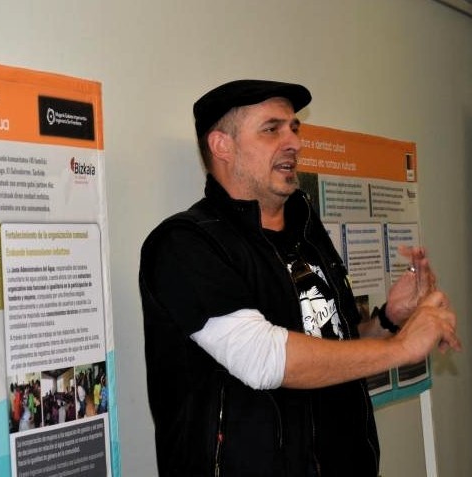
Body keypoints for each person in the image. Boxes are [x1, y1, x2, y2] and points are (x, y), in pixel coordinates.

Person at [138, 79, 461, 477]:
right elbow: (262, 358)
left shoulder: (306, 232)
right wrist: (403, 347)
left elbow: (331, 345)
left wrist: (389, 320)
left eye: (294, 128)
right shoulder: (185, 243)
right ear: (222, 145)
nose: (293, 142)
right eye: (271, 129)